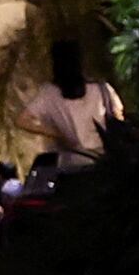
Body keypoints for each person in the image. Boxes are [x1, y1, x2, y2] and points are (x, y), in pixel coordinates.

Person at [23, 40, 120, 176]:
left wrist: (55, 133)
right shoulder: (101, 89)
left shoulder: (48, 94)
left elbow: (22, 120)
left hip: (72, 165)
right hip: (105, 162)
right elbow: (118, 115)